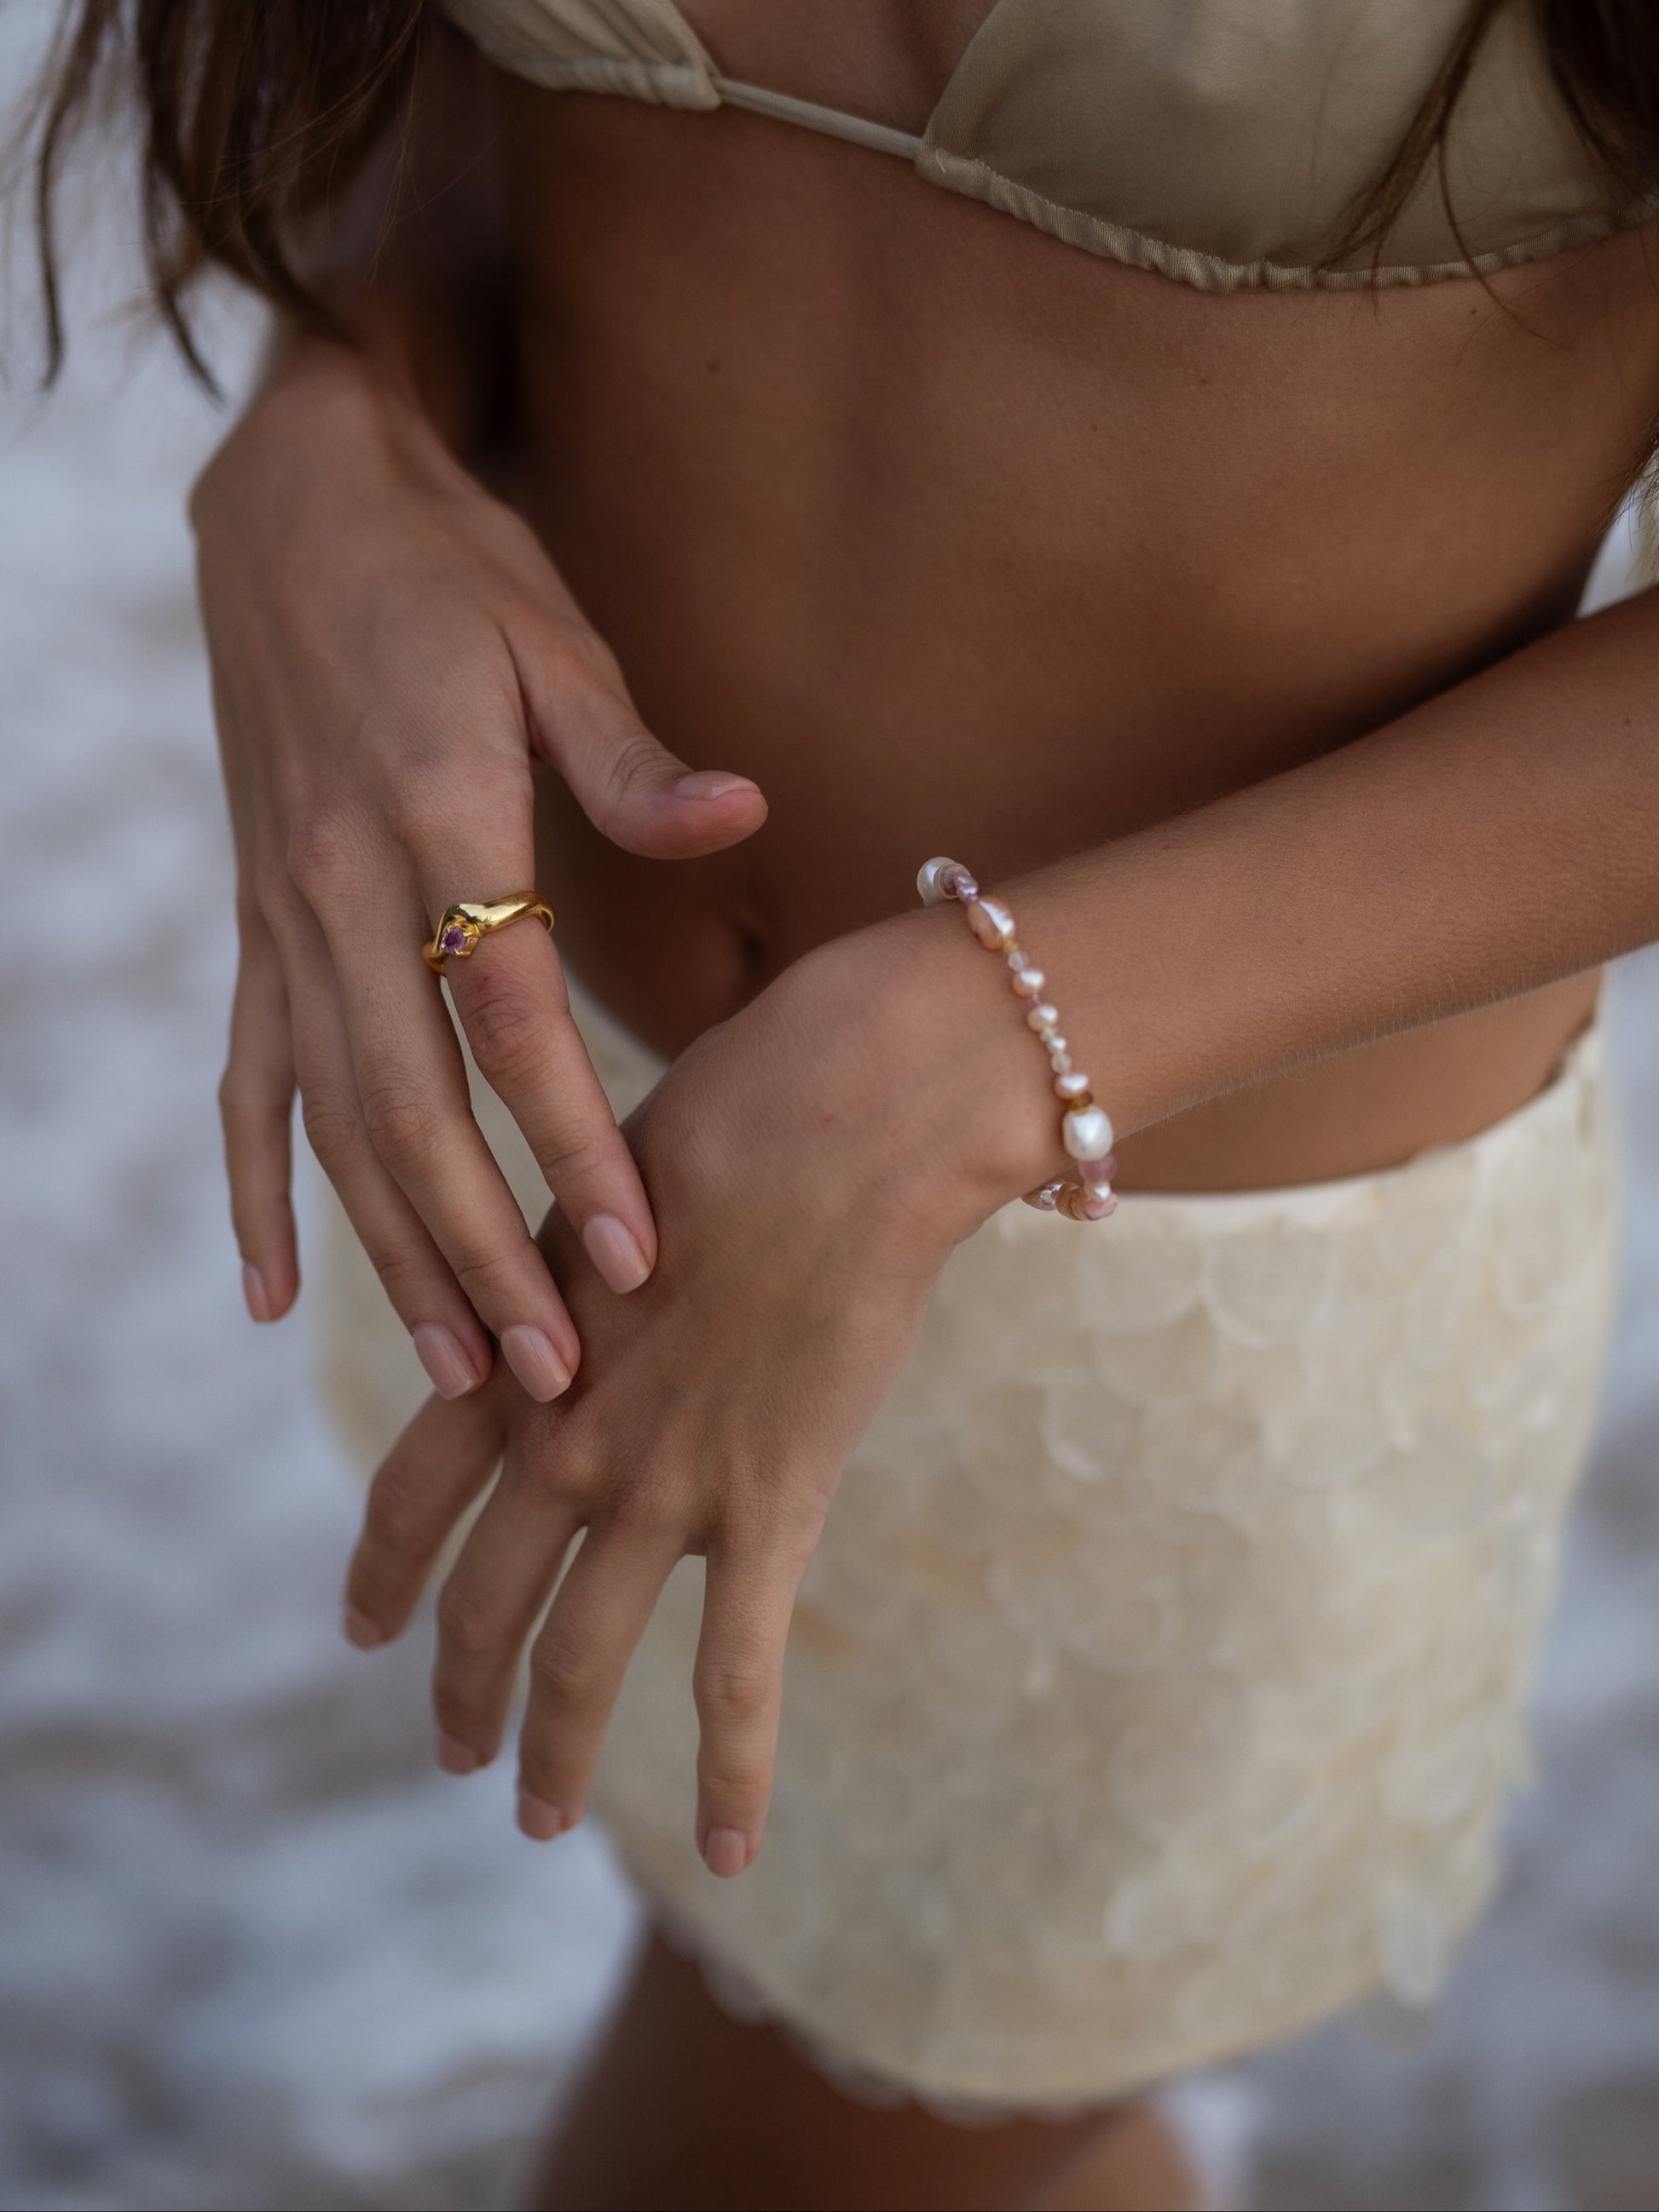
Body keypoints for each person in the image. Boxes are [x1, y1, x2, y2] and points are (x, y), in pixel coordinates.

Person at [29, 3, 1659, 2205]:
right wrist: (339, 415)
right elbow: (432, 74)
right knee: (885, 2079)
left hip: (1159, 1326)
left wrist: (967, 1050)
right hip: (560, 1106)